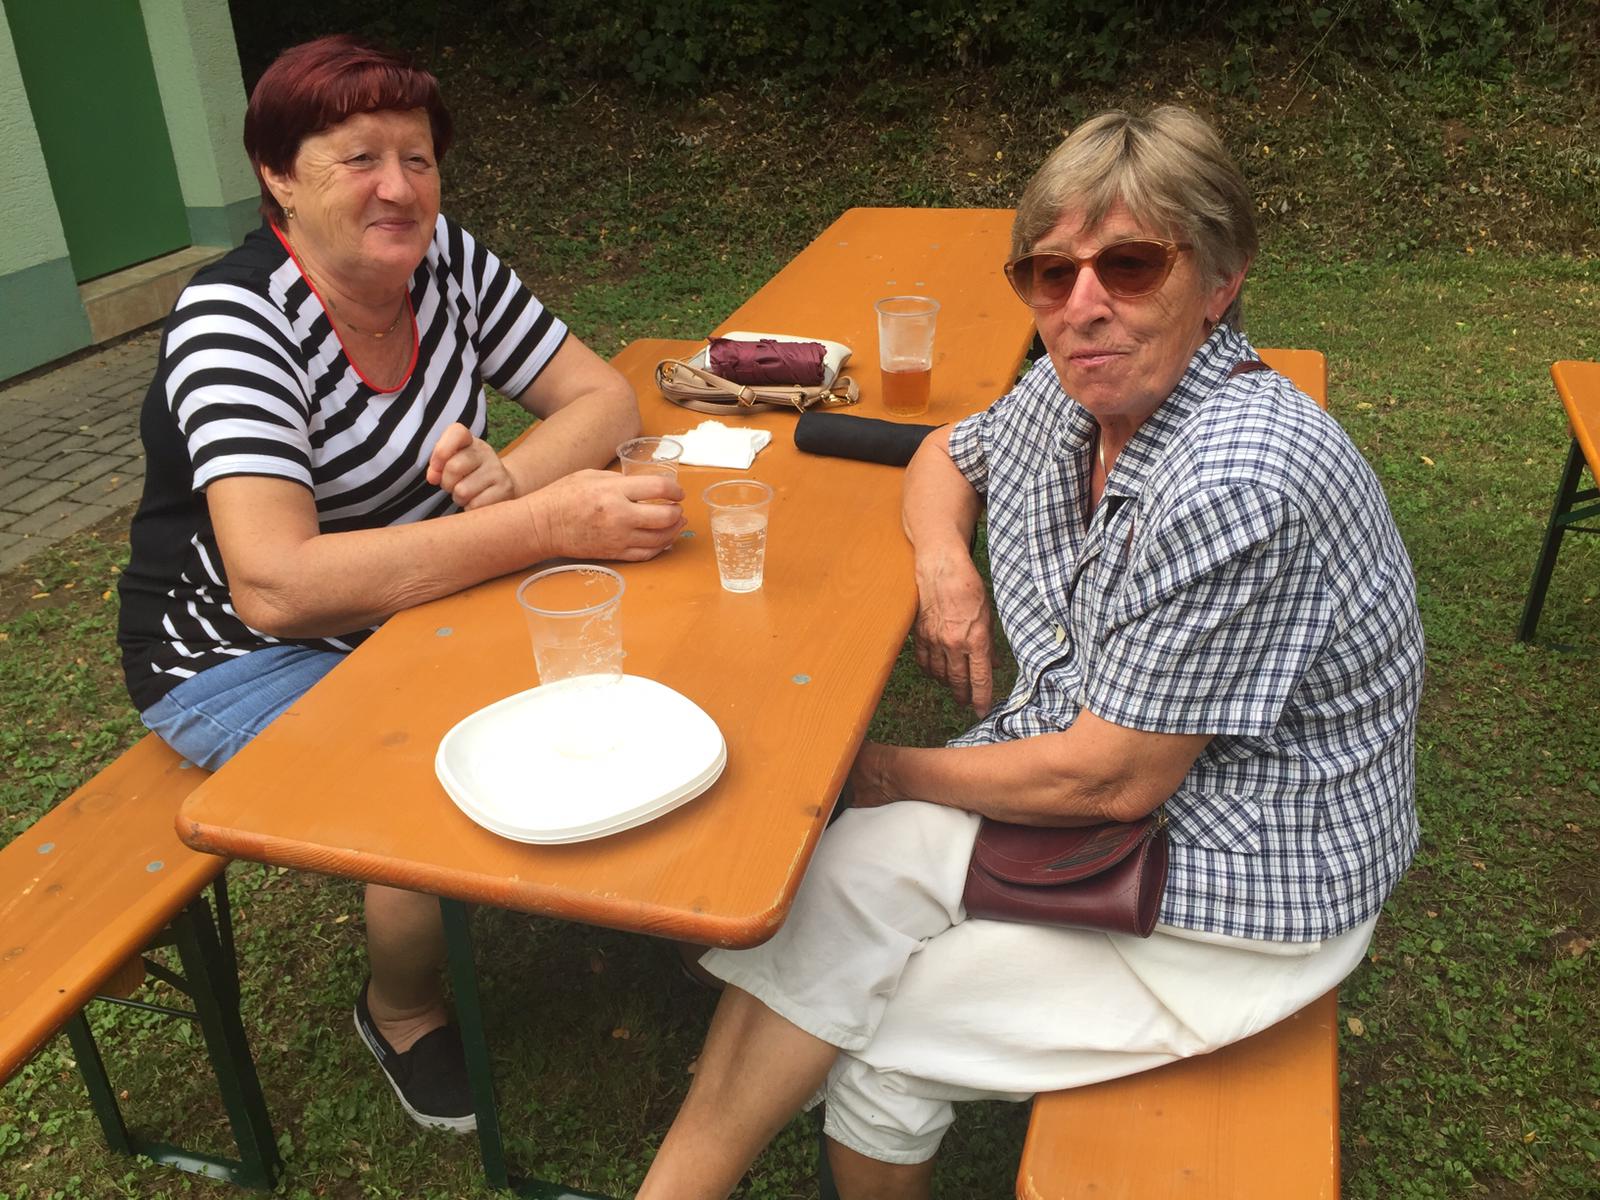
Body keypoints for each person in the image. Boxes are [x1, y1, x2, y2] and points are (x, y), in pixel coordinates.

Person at [637, 106, 1423, 1199]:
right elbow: (945, 455)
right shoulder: (1081, 381)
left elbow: (1109, 782)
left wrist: (881, 771)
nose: (1083, 305)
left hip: (1246, 874)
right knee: (854, 877)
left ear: (1220, 278)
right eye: (1051, 274)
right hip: (1127, 797)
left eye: (1130, 265)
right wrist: (944, 564)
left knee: (878, 1035)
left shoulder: (1235, 481)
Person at [116, 35, 684, 1134]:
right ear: (279, 176)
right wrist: (535, 526)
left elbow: (603, 399)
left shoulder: (442, 262)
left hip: (399, 594)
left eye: (417, 158)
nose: (398, 187)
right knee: (436, 767)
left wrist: (511, 480)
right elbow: (277, 586)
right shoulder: (236, 320)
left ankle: (647, 883)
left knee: (618, 645)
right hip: (235, 651)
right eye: (359, 158)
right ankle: (402, 1007)